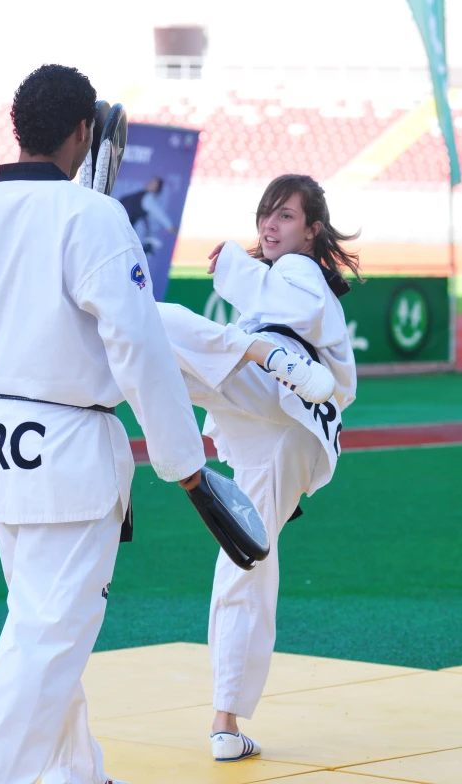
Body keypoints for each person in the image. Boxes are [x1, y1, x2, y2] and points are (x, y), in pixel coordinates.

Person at [0, 64, 209, 784]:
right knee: (50, 641)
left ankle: (73, 773)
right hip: (67, 452)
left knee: (39, 627)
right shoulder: (92, 218)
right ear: (84, 133)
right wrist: (183, 461)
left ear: (21, 128)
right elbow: (137, 345)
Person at [157, 173, 360, 762]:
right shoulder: (275, 279)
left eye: (287, 216)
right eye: (267, 214)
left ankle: (255, 353)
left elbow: (288, 302)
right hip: (275, 430)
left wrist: (239, 272)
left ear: (312, 230)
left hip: (286, 397)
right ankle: (226, 723)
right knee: (246, 558)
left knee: (152, 321)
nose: (271, 226)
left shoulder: (298, 272)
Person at [119, 176, 177, 257]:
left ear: (156, 189)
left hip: (119, 229)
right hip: (117, 226)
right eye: (151, 181)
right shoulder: (141, 195)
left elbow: (158, 213)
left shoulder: (148, 198)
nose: (150, 183)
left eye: (154, 183)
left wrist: (169, 226)